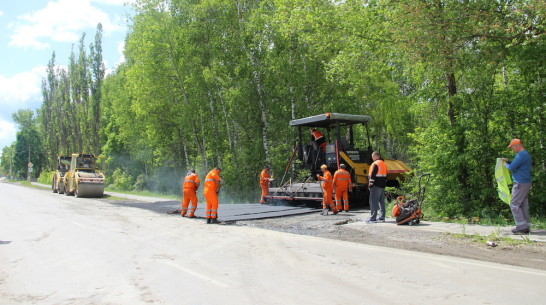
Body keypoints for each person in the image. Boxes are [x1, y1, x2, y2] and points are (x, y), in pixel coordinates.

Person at [503, 139, 532, 234]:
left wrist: (506, 165)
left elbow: (512, 168)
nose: (512, 149)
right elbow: (517, 165)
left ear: (518, 145)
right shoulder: (525, 154)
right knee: (523, 204)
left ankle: (521, 226)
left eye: (512, 147)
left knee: (514, 203)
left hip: (520, 183)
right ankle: (525, 225)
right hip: (525, 182)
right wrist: (509, 162)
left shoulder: (521, 155)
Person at [366, 152, 387, 223]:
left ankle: (373, 218)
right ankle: (382, 217)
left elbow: (372, 175)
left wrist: (370, 184)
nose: (372, 159)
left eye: (372, 157)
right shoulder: (383, 163)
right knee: (381, 201)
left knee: (373, 201)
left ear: (374, 157)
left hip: (376, 185)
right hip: (382, 185)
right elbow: (386, 175)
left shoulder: (375, 164)